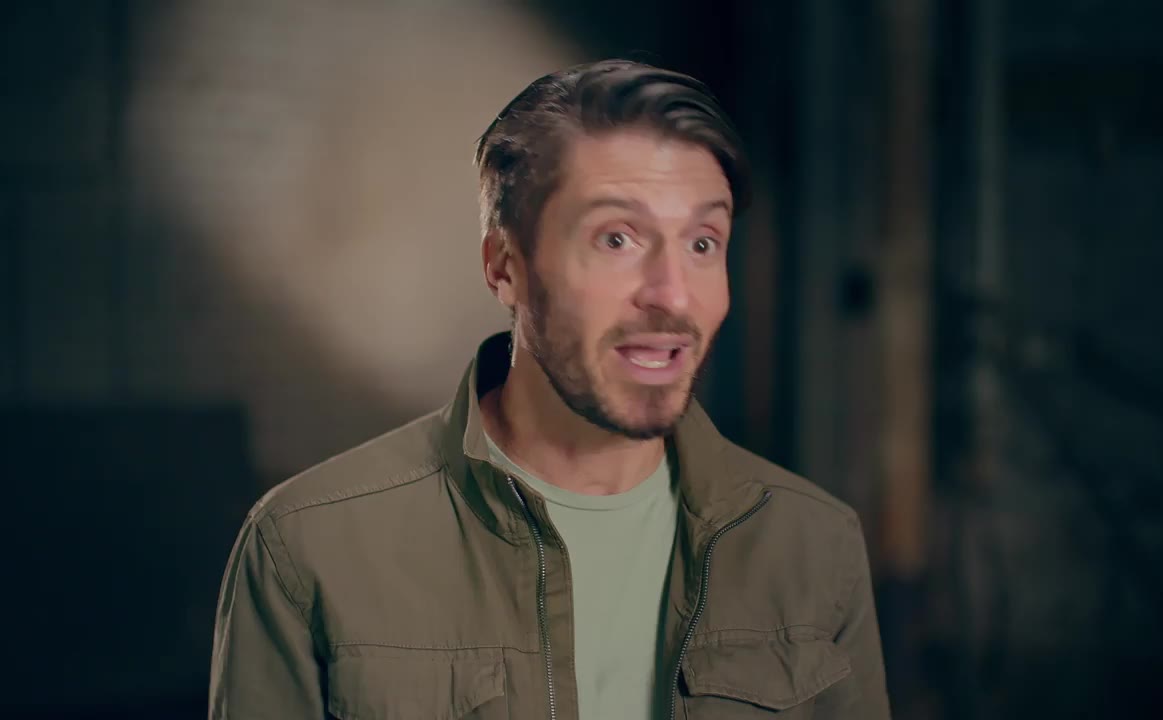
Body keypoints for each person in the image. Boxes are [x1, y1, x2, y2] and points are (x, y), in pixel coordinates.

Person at [209, 59, 890, 720]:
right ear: (505, 268)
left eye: (703, 243)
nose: (673, 295)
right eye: (616, 238)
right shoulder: (309, 547)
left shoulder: (814, 543)